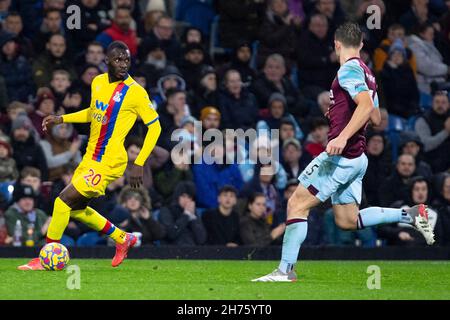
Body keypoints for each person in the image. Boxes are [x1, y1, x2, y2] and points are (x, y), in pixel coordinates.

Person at [253, 23, 434, 283]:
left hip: (342, 156)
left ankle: (285, 271)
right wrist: (340, 111)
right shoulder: (367, 72)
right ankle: (412, 215)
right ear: (360, 44)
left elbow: (364, 106)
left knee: (296, 204)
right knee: (347, 220)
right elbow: (374, 116)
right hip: (358, 158)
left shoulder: (348, 69)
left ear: (336, 44)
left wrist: (341, 134)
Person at [17, 41, 162, 270]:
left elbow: (156, 128)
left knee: (62, 200)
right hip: (91, 157)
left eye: (126, 60)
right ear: (106, 61)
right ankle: (123, 238)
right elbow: (93, 113)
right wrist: (62, 118)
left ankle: (45, 257)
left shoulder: (136, 93)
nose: (123, 64)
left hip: (110, 161)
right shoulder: (98, 82)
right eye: (117, 59)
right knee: (75, 209)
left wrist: (139, 162)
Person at [158, 181, 207, 246]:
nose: (186, 200)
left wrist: (193, 218)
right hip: (172, 251)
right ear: (177, 196)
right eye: (183, 196)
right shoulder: (166, 210)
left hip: (192, 251)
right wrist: (186, 215)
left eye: (189, 197)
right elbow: (171, 234)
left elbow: (202, 239)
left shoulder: (192, 213)